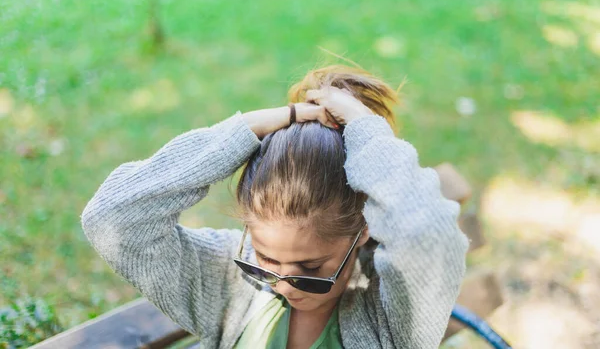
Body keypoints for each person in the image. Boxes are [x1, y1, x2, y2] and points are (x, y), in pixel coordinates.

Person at [81, 65, 469, 349]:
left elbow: (427, 235)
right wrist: (247, 129)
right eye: (264, 260)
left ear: (363, 229)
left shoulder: (389, 320)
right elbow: (113, 217)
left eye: (311, 270)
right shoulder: (228, 283)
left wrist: (365, 128)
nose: (283, 286)